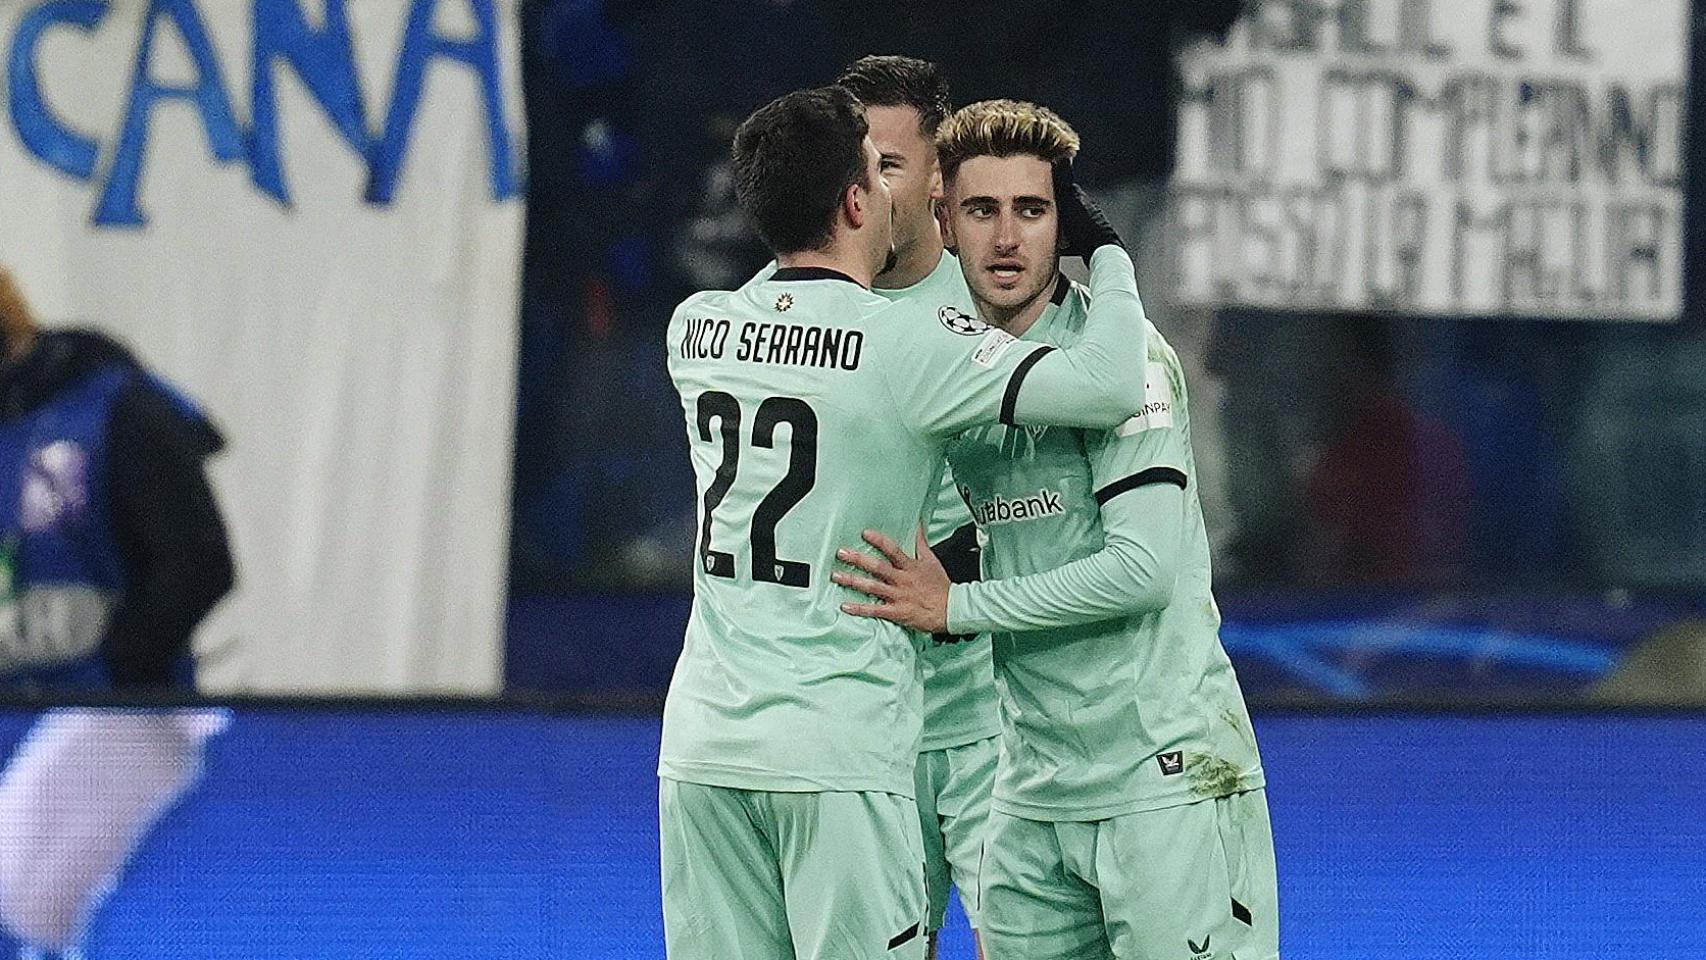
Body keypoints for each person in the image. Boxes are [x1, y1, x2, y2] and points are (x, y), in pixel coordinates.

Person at [659, 85, 1146, 959]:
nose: (895, 193)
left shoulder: (695, 329)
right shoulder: (904, 345)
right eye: (876, 177)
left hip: (701, 748)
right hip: (836, 751)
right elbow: (1110, 386)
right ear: (855, 201)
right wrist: (1106, 252)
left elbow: (789, 297)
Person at [832, 100, 1280, 960]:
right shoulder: (957, 366)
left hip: (1165, 778)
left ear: (1061, 224)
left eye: (1032, 212)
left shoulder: (1128, 358)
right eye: (982, 211)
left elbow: (1142, 570)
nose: (1007, 238)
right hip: (1031, 792)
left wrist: (956, 605)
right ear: (944, 223)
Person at [751, 53, 998, 959]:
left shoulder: (995, 300)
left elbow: (1062, 496)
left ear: (939, 176)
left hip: (984, 726)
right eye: (860, 165)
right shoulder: (772, 312)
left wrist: (961, 575)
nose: (872, 187)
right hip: (845, 734)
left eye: (891, 164)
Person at [0, 265, 234, 960]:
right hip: (22, 713)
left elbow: (197, 560)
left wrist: (121, 668)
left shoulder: (114, 408)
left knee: (22, 906)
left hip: (116, 714)